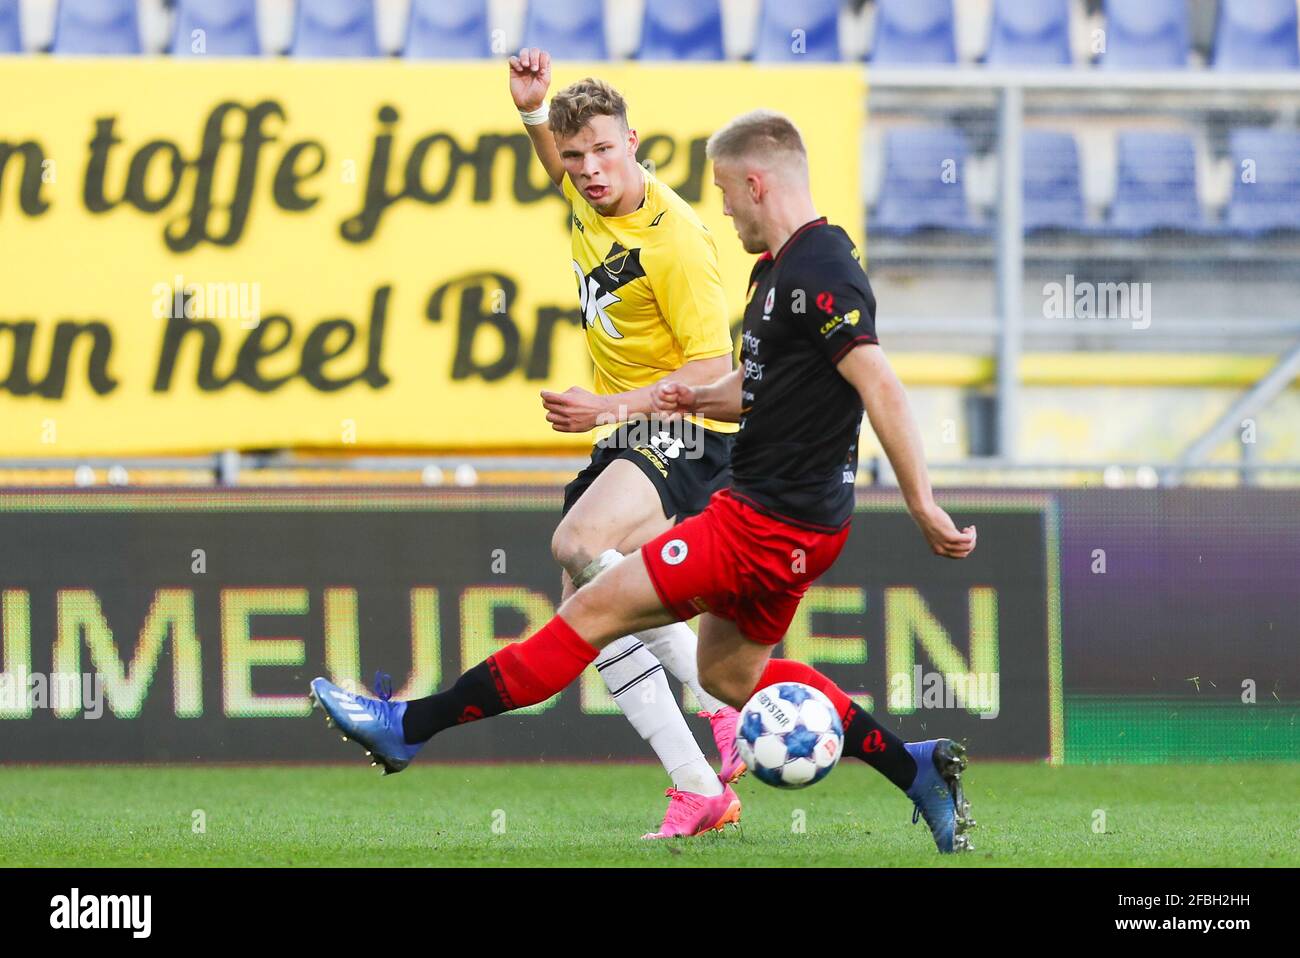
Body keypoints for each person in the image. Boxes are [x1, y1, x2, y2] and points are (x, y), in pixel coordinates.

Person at [311, 109, 979, 852]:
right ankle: (915, 769)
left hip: (762, 527)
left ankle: (407, 726)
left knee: (587, 612)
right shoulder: (779, 272)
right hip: (790, 522)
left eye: (728, 192)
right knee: (727, 677)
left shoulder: (819, 270)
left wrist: (922, 502)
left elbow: (879, 382)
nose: (724, 210)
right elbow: (753, 388)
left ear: (757, 184)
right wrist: (690, 397)